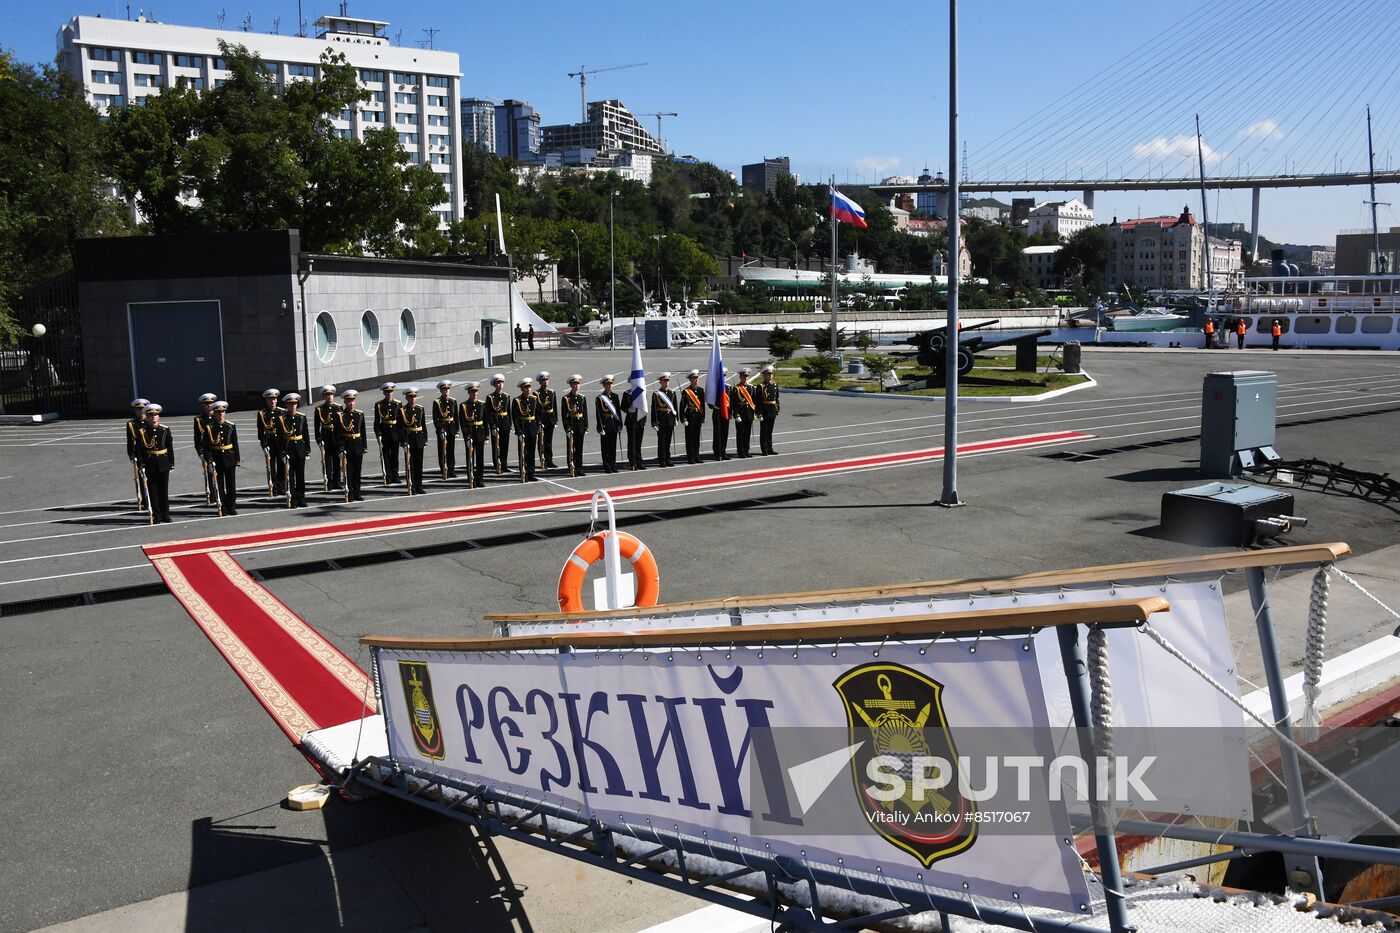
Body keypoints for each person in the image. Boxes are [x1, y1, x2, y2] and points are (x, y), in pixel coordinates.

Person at [137, 403, 175, 523]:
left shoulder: (165, 430)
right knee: (153, 492)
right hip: (150, 464)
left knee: (164, 491)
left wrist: (171, 463)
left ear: (158, 416)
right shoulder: (142, 432)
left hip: (164, 463)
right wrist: (141, 465)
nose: (154, 417)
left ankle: (166, 514)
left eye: (156, 415)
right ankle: (157, 515)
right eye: (151, 415)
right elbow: (139, 450)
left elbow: (170, 447)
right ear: (147, 417)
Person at [204, 401, 240, 515]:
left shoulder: (230, 426)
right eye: (218, 412)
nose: (221, 414)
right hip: (216, 459)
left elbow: (235, 444)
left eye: (222, 412)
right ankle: (222, 507)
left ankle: (231, 506)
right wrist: (209, 461)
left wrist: (237, 459)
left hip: (229, 458)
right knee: (219, 485)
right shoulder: (209, 428)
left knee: (231, 484)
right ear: (214, 413)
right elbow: (207, 447)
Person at [278, 393, 311, 507]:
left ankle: (301, 498)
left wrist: (307, 449)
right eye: (290, 404)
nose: (293, 406)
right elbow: (279, 438)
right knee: (290, 476)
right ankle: (293, 499)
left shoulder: (301, 417)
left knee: (301, 475)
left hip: (300, 449)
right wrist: (282, 452)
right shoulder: (282, 419)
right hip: (289, 450)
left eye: (295, 404)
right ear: (287, 404)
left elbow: (306, 434)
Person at [336, 389, 368, 501]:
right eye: (349, 401)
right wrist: (341, 448)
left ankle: (357, 493)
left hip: (358, 445)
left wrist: (364, 446)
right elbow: (338, 433)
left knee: (357, 470)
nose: (351, 403)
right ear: (345, 402)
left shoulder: (360, 414)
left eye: (353, 400)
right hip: (347, 445)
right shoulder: (340, 415)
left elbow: (363, 431)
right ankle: (349, 493)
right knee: (349, 471)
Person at [457, 381, 488, 486]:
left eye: (476, 391)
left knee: (480, 458)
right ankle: (470, 477)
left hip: (480, 433)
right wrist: (467, 436)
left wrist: (486, 435)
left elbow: (485, 421)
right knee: (470, 458)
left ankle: (480, 478)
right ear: (469, 393)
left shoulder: (482, 404)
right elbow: (463, 422)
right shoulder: (464, 406)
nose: (474, 393)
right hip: (470, 433)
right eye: (472, 392)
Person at [399, 387, 428, 494]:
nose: (412, 399)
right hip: (409, 439)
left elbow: (423, 425)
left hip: (419, 439)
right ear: (407, 398)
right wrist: (404, 442)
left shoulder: (420, 409)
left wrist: (425, 439)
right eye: (410, 397)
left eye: (414, 397)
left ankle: (419, 485)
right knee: (410, 465)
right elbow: (400, 428)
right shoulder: (402, 410)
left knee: (419, 464)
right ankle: (412, 486)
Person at [257, 388, 285, 495]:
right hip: (269, 442)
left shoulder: (282, 412)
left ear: (277, 400)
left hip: (280, 442)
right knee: (271, 466)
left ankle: (281, 486)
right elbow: (260, 432)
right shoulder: (262, 414)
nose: (272, 401)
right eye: (270, 399)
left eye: (274, 399)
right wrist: (264, 445)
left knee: (282, 465)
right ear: (266, 401)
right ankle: (273, 486)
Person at [512, 377, 541, 481]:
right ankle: (523, 472)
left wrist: (538, 426)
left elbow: (537, 415)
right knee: (523, 452)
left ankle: (531, 473)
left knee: (532, 451)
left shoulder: (534, 399)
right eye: (525, 388)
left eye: (529, 387)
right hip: (523, 427)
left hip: (532, 427)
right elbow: (515, 417)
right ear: (522, 389)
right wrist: (518, 431)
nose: (528, 389)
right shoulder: (517, 401)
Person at [314, 385, 342, 491]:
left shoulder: (338, 408)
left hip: (336, 437)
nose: (329, 397)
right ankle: (329, 482)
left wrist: (341, 439)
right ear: (324, 396)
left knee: (336, 460)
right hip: (326, 437)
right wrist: (319, 439)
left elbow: (341, 424)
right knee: (327, 462)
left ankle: (337, 482)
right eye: (327, 395)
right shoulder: (320, 409)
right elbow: (317, 426)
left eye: (331, 395)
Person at [374, 382, 403, 485]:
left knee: (395, 456)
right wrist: (378, 434)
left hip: (395, 432)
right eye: (387, 392)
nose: (389, 394)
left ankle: (395, 475)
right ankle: (388, 476)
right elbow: (377, 421)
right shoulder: (379, 405)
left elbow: (400, 421)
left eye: (391, 391)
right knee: (386, 456)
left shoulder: (398, 404)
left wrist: (401, 435)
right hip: (385, 432)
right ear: (384, 393)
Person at [561, 374, 588, 476]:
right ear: (571, 385)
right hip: (571, 425)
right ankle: (571, 467)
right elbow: (564, 415)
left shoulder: (582, 398)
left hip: (580, 424)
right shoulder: (566, 398)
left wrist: (586, 426)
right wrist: (567, 429)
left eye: (578, 384)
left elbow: (584, 413)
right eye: (574, 384)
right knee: (571, 448)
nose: (576, 386)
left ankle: (579, 468)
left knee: (579, 448)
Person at [486, 373, 513, 474]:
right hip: (496, 423)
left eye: (501, 382)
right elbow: (488, 413)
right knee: (496, 445)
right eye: (498, 383)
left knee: (505, 445)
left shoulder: (507, 396)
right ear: (494, 384)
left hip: (505, 423)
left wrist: (510, 425)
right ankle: (497, 464)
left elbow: (508, 412)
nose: (500, 384)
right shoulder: (490, 397)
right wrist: (492, 426)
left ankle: (504, 464)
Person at [126, 398, 150, 510]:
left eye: (142, 409)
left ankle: (154, 499)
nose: (140, 412)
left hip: (150, 453)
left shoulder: (150, 421)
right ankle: (145, 501)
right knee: (142, 478)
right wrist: (132, 456)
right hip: (139, 455)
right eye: (138, 410)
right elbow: (130, 442)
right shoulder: (131, 424)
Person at [595, 374, 622, 473]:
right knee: (605, 447)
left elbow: (618, 412)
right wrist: (600, 426)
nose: (609, 386)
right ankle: (607, 466)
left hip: (614, 424)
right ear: (604, 385)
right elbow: (599, 414)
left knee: (613, 447)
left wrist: (619, 424)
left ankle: (613, 465)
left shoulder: (615, 396)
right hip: (605, 424)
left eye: (610, 384)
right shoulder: (600, 398)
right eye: (607, 384)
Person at [193, 393, 217, 502]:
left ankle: (219, 492)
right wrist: (200, 453)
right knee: (210, 472)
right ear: (203, 405)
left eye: (210, 403)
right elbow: (197, 438)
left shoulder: (217, 416)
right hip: (207, 450)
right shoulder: (199, 420)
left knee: (219, 473)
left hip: (218, 448)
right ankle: (212, 493)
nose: (208, 406)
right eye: (206, 404)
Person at [432, 380, 458, 478]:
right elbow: (436, 418)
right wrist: (440, 429)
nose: (446, 391)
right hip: (442, 428)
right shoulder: (437, 402)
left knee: (451, 450)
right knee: (442, 450)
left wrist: (456, 429)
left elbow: (456, 416)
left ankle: (451, 469)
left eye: (447, 389)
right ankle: (443, 469)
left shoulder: (453, 401)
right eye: (444, 389)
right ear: (441, 391)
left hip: (451, 427)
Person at [730, 367, 758, 458]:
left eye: (746, 376)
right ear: (740, 377)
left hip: (749, 413)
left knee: (747, 432)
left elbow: (753, 401)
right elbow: (733, 403)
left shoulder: (751, 387)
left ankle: (746, 450)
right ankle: (740, 451)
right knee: (740, 433)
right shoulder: (736, 388)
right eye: (743, 376)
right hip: (740, 413)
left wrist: (754, 413)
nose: (745, 378)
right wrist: (736, 414)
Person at [651, 372, 678, 467]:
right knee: (661, 442)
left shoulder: (672, 393)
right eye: (664, 381)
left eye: (667, 381)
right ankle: (662, 460)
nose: (666, 383)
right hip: (661, 420)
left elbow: (675, 407)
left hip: (670, 420)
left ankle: (668, 459)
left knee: (668, 441)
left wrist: (676, 418)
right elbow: (653, 409)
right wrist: (654, 423)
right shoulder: (657, 394)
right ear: (660, 382)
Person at [679, 370, 705, 465]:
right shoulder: (686, 391)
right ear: (690, 379)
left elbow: (702, 405)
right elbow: (682, 406)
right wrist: (683, 418)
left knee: (696, 437)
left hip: (698, 415)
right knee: (690, 437)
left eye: (697, 378)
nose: (696, 380)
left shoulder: (701, 390)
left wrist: (703, 417)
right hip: (690, 415)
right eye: (694, 378)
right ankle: (690, 457)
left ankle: (696, 456)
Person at [622, 377, 647, 470]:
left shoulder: (642, 393)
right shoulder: (627, 393)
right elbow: (623, 407)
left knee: (639, 442)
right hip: (631, 420)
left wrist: (644, 421)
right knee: (631, 442)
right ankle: (632, 462)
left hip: (640, 420)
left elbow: (644, 408)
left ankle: (639, 461)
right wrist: (630, 406)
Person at [756, 364, 781, 456]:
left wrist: (777, 409)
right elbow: (758, 402)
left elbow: (776, 398)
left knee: (770, 431)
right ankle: (764, 449)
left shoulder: (774, 385)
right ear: (764, 375)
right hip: (764, 410)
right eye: (767, 374)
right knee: (764, 431)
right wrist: (759, 414)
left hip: (772, 410)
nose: (770, 376)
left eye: (771, 374)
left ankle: (770, 448)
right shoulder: (761, 386)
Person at [536, 371, 558, 469]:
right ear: (540, 382)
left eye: (546, 380)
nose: (545, 382)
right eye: (543, 380)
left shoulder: (552, 392)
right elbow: (535, 410)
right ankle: (542, 460)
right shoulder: (536, 393)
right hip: (541, 419)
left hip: (550, 419)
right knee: (541, 441)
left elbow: (555, 407)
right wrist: (538, 422)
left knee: (549, 441)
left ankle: (549, 460)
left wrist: (555, 420)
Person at [709, 367, 730, 461]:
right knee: (717, 433)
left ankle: (723, 451)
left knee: (725, 432)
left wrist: (732, 413)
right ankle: (717, 453)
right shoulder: (715, 388)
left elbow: (732, 401)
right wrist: (714, 406)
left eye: (725, 375)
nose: (723, 377)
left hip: (726, 413)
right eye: (722, 375)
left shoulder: (728, 388)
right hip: (717, 412)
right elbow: (710, 402)